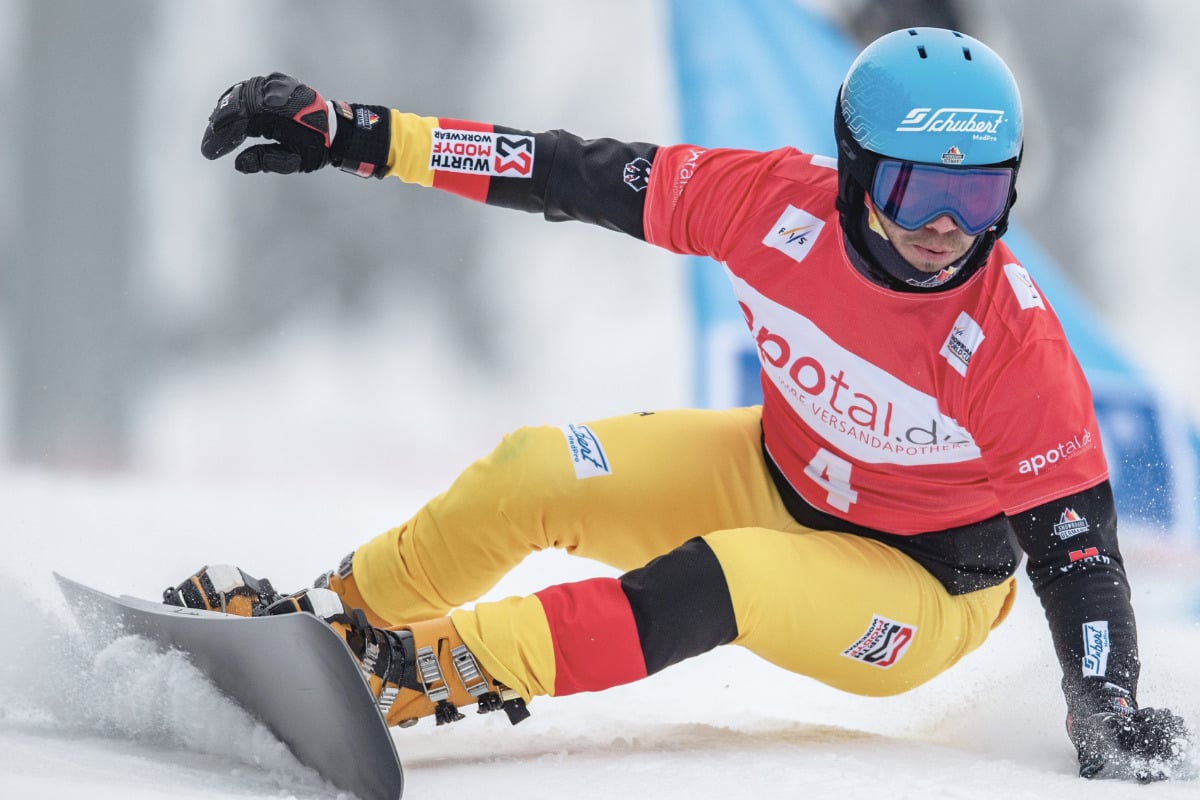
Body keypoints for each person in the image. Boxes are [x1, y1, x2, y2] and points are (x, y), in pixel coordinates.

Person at [174, 27, 1190, 781]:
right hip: (773, 469)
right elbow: (557, 170)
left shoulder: (1012, 340)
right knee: (535, 467)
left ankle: (416, 675)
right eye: (922, 190)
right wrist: (358, 134)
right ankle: (323, 621)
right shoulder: (765, 203)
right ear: (853, 170)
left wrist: (1104, 704)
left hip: (919, 590)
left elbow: (1079, 555)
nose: (949, 230)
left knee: (726, 577)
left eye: (982, 198)